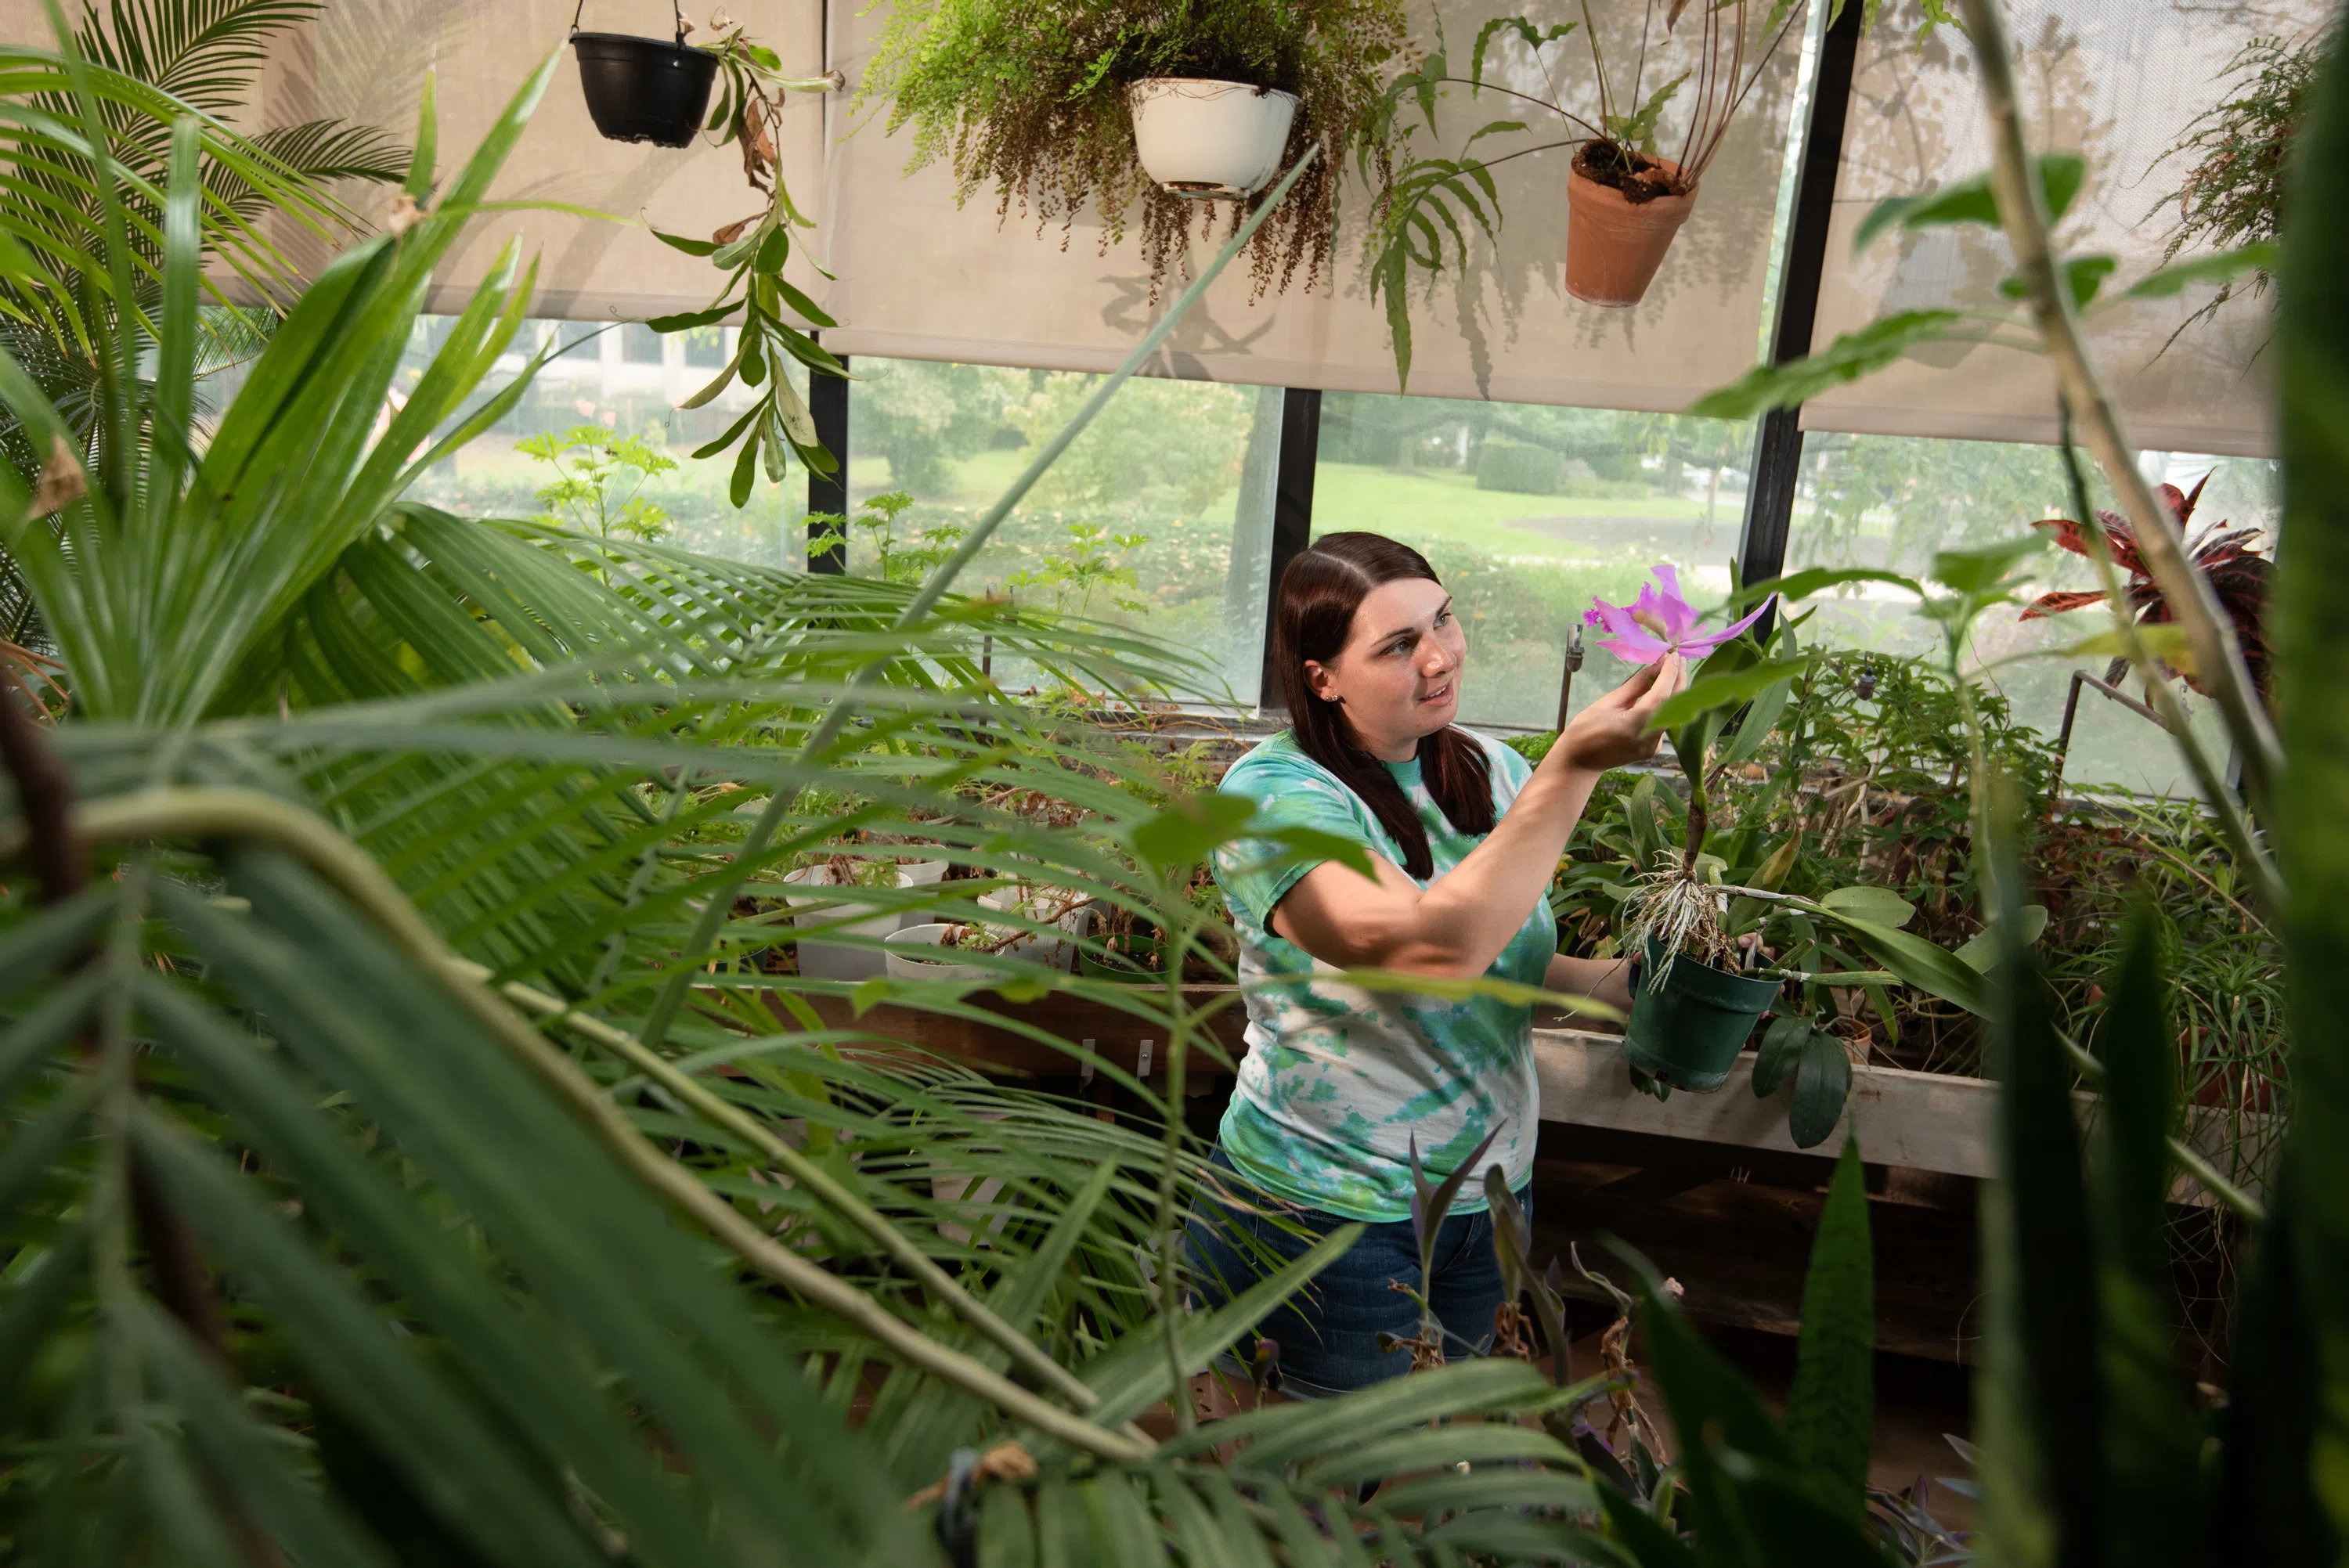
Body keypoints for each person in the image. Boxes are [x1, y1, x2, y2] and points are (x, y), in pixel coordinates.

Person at [1183, 530, 1687, 1400]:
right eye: (1397, 644)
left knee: (1431, 1444)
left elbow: (1507, 959)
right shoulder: (1272, 799)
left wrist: (1643, 983)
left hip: (1487, 1200)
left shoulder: (1489, 766)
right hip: (1330, 1209)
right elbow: (1429, 952)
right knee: (1321, 1482)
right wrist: (1576, 765)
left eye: (1443, 620)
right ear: (1322, 678)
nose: (1439, 656)